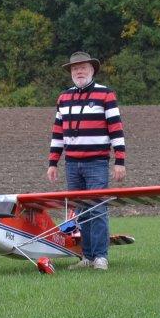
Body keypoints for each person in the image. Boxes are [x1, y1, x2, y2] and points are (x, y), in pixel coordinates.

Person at [46, 52, 126, 271]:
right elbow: (58, 133)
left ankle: (100, 257)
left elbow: (116, 128)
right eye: (75, 69)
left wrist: (120, 160)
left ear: (92, 70)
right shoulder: (63, 98)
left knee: (97, 209)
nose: (79, 72)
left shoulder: (106, 94)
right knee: (81, 212)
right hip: (72, 164)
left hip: (97, 163)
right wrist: (53, 163)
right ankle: (87, 257)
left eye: (83, 68)